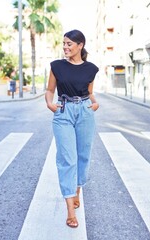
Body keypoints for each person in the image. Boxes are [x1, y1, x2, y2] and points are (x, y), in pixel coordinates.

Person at [45, 29, 99, 228]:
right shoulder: (57, 66)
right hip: (64, 111)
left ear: (80, 46)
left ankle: (77, 189)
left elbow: (90, 92)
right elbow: (50, 89)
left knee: (83, 155)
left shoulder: (91, 69)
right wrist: (49, 103)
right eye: (64, 43)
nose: (65, 47)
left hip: (85, 111)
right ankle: (70, 209)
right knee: (67, 158)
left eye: (69, 44)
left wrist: (95, 103)